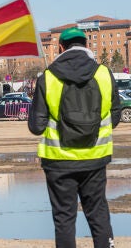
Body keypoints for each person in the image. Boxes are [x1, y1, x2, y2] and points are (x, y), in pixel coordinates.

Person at [28, 27, 121, 248]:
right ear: (87, 45)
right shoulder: (104, 74)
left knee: (64, 220)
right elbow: (116, 116)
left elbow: (37, 127)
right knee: (98, 215)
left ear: (60, 48)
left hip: (59, 162)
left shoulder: (48, 77)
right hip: (95, 158)